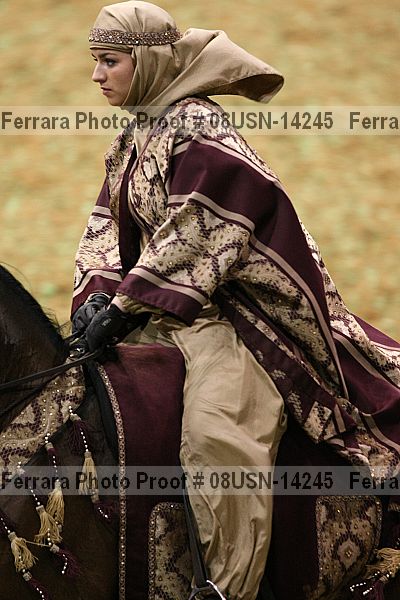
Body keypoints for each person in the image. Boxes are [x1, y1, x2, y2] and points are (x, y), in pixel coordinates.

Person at [71, 2, 400, 599]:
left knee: (217, 436)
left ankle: (225, 588)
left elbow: (200, 229)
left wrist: (122, 307)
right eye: (95, 61)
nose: (97, 76)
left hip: (237, 318)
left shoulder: (199, 129)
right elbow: (106, 224)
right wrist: (95, 294)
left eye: (110, 61)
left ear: (147, 62)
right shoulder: (135, 133)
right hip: (161, 310)